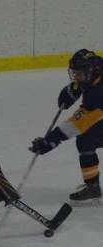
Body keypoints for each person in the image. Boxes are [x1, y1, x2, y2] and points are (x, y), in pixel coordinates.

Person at [30, 49, 103, 205]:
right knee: (86, 140)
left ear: (92, 71)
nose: (76, 76)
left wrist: (51, 140)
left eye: (80, 74)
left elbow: (80, 123)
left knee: (86, 138)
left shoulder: (98, 94)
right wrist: (75, 88)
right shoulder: (96, 71)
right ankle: (93, 186)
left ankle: (93, 187)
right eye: (75, 73)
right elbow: (83, 83)